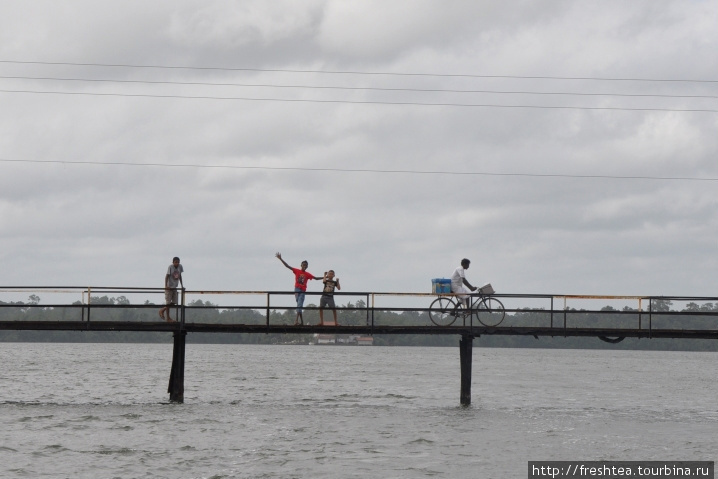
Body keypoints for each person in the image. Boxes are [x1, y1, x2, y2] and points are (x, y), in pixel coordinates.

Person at [275, 252, 317, 325]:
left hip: (303, 290)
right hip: (297, 289)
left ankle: (296, 321)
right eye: (304, 265)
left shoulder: (307, 274)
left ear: (307, 266)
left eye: (306, 265)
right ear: (301, 265)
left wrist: (325, 277)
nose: (305, 266)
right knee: (299, 304)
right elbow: (287, 266)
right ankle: (301, 322)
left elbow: (315, 278)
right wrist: (281, 259)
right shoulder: (297, 271)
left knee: (299, 304)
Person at [159, 257, 184, 322]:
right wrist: (166, 286)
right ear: (173, 262)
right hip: (169, 287)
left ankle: (162, 310)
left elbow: (180, 276)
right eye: (175, 262)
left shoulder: (180, 267)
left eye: (178, 262)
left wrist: (182, 285)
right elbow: (166, 276)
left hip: (174, 287)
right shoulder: (170, 267)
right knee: (168, 303)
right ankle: (168, 318)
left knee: (174, 302)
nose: (177, 263)